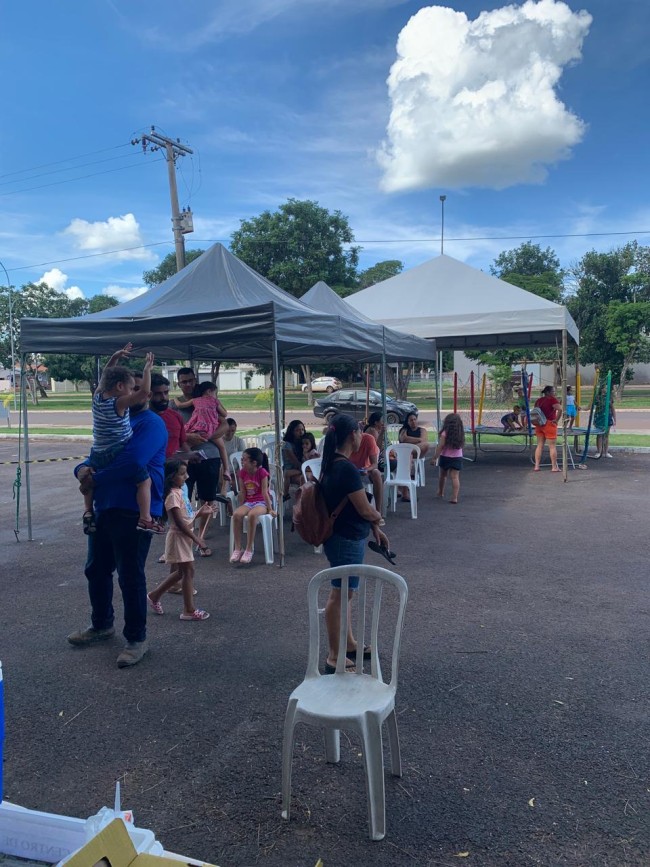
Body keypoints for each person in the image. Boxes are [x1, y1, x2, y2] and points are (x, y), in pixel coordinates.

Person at [68, 371, 168, 668]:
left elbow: (132, 461)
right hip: (106, 506)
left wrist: (96, 478)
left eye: (140, 388)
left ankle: (137, 639)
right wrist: (80, 469)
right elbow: (98, 454)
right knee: (96, 570)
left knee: (130, 576)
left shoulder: (151, 424)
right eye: (131, 388)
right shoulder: (115, 419)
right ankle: (101, 625)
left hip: (134, 511)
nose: (135, 393)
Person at [319, 414, 389, 674]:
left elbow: (357, 506)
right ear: (352, 435)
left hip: (346, 537)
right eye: (360, 431)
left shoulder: (334, 463)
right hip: (345, 539)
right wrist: (378, 519)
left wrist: (374, 526)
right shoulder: (345, 468)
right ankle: (334, 656)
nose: (362, 435)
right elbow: (364, 508)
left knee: (345, 592)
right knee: (339, 594)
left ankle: (347, 644)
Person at [80, 344, 160, 535]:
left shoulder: (97, 397)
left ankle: (88, 511)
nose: (132, 392)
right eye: (131, 388)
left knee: (89, 475)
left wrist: (114, 358)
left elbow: (105, 376)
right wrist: (147, 370)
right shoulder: (119, 403)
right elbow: (144, 393)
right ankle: (145, 518)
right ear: (119, 386)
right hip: (117, 449)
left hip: (98, 450)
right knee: (144, 481)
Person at [170, 368, 230, 549]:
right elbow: (169, 431)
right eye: (184, 381)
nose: (188, 384)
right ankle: (184, 540)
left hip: (209, 456)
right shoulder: (175, 405)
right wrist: (187, 437)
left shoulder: (208, 399)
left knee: (208, 500)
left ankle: (200, 540)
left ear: (195, 380)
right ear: (178, 384)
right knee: (180, 500)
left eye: (191, 380)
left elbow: (225, 424)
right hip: (183, 458)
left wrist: (206, 436)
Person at [146, 460, 212, 621]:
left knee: (184, 572)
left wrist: (199, 512)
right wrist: (197, 539)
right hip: (179, 537)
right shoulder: (172, 496)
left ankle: (155, 595)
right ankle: (188, 610)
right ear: (171, 477)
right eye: (182, 474)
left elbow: (186, 516)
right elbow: (180, 523)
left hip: (184, 536)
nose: (186, 476)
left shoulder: (180, 492)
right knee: (188, 571)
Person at [230, 447, 276, 565]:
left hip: (261, 502)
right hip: (249, 502)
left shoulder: (262, 473)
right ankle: (238, 548)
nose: (242, 462)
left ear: (254, 463)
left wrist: (270, 509)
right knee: (236, 514)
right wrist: (241, 507)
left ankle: (249, 548)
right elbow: (242, 492)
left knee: (252, 515)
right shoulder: (242, 473)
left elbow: (265, 492)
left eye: (244, 459)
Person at [348, 426, 384, 522]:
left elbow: (375, 464)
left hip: (365, 471)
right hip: (350, 472)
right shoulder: (347, 441)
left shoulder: (368, 439)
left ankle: (378, 512)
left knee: (376, 473)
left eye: (360, 434)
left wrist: (367, 469)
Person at [433, 412, 465, 504]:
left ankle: (440, 492)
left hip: (445, 457)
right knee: (455, 477)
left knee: (443, 476)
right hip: (457, 457)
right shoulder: (460, 433)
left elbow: (441, 446)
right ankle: (454, 497)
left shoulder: (445, 433)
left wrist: (435, 457)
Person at [396, 411, 428, 502]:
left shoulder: (422, 430)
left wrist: (409, 441)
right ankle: (404, 489)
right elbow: (403, 439)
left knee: (426, 445)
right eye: (411, 420)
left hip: (418, 452)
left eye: (414, 419)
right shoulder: (404, 430)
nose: (413, 421)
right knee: (408, 455)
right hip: (405, 454)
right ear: (408, 422)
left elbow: (423, 440)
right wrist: (418, 440)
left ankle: (403, 488)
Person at [533, 385, 562, 472]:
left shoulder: (539, 400)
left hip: (539, 424)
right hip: (549, 423)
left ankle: (537, 466)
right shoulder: (552, 400)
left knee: (539, 445)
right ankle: (554, 467)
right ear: (548, 392)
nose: (554, 393)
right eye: (553, 391)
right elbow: (560, 409)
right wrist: (556, 420)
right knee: (552, 446)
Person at [221, 417, 246, 495]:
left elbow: (243, 459)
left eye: (233, 431)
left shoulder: (239, 441)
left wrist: (238, 472)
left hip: (236, 469)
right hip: (222, 469)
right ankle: (226, 494)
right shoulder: (220, 441)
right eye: (228, 431)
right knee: (223, 472)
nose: (230, 433)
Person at [281, 419, 305, 498]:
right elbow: (296, 463)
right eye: (297, 430)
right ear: (292, 432)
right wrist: (305, 470)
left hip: (300, 469)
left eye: (302, 429)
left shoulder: (302, 443)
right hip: (291, 470)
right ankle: (299, 499)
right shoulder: (287, 445)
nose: (301, 432)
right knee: (304, 480)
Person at [595, 390, 616, 458]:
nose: (605, 389)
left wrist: (614, 419)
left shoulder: (609, 397)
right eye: (604, 387)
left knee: (606, 435)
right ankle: (599, 452)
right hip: (599, 418)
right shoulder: (598, 397)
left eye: (606, 388)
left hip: (608, 418)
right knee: (599, 435)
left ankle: (606, 452)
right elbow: (594, 406)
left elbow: (612, 409)